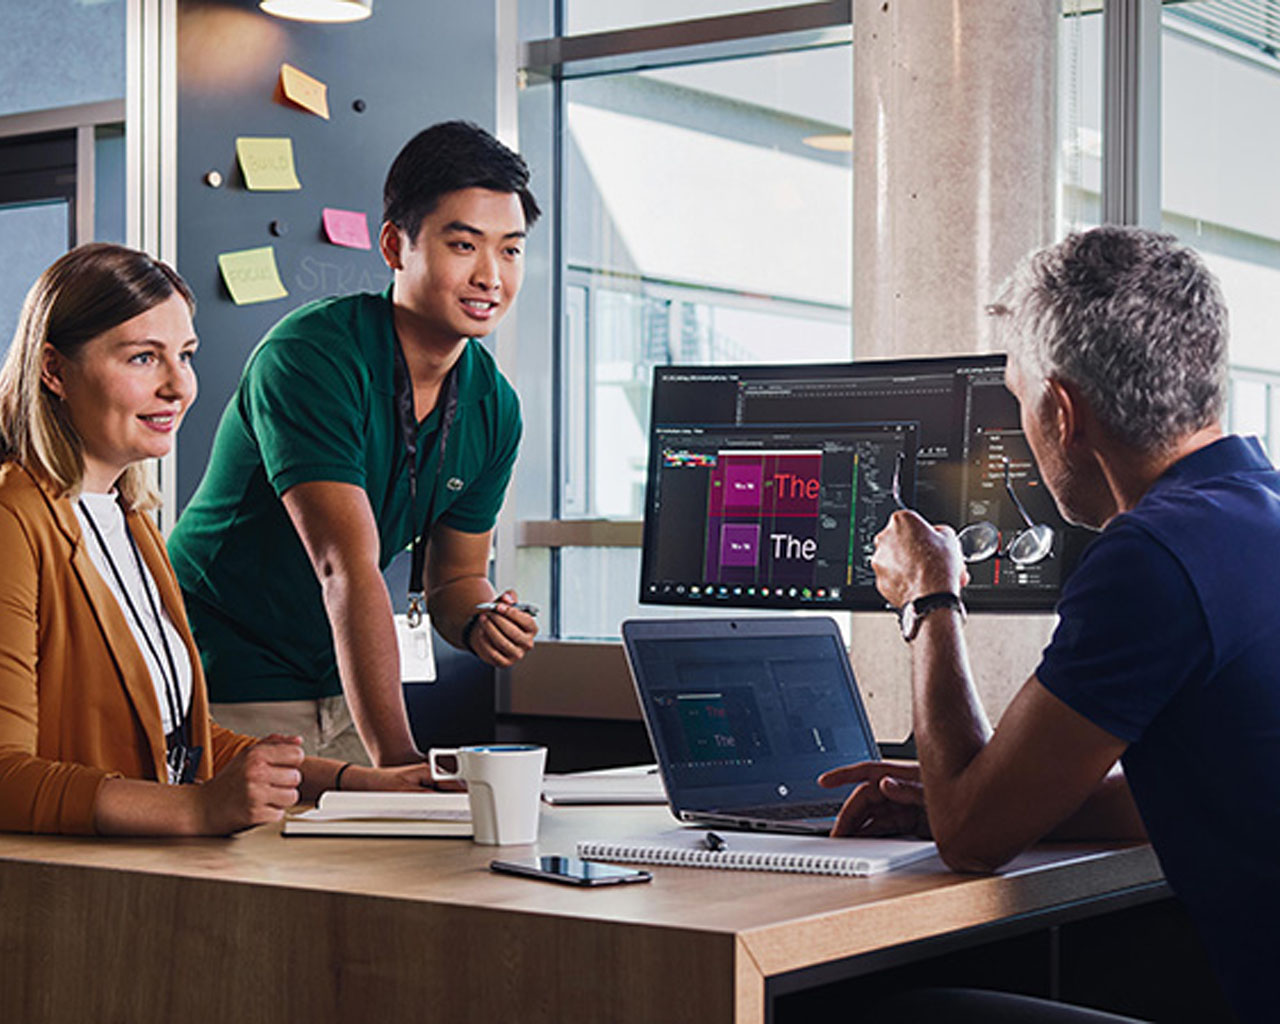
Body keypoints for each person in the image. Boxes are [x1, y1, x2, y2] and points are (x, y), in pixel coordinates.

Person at [819, 226, 1279, 1023]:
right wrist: (995, 794)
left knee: (882, 1013)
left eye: (1018, 396)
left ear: (1062, 410)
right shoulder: (1256, 517)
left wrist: (930, 596)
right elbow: (1186, 792)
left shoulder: (1152, 557)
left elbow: (971, 840)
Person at [0, 243, 436, 836]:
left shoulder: (131, 520)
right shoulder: (13, 518)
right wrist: (199, 809)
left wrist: (357, 781)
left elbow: (181, 741)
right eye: (142, 359)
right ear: (53, 370)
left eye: (185, 355)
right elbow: (5, 776)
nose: (179, 386)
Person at [168, 121, 540, 768]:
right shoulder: (312, 356)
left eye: (510, 250)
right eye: (464, 244)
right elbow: (346, 566)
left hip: (344, 684)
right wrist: (399, 761)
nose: (491, 276)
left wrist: (480, 618)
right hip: (222, 676)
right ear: (396, 246)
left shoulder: (494, 407)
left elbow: (454, 578)